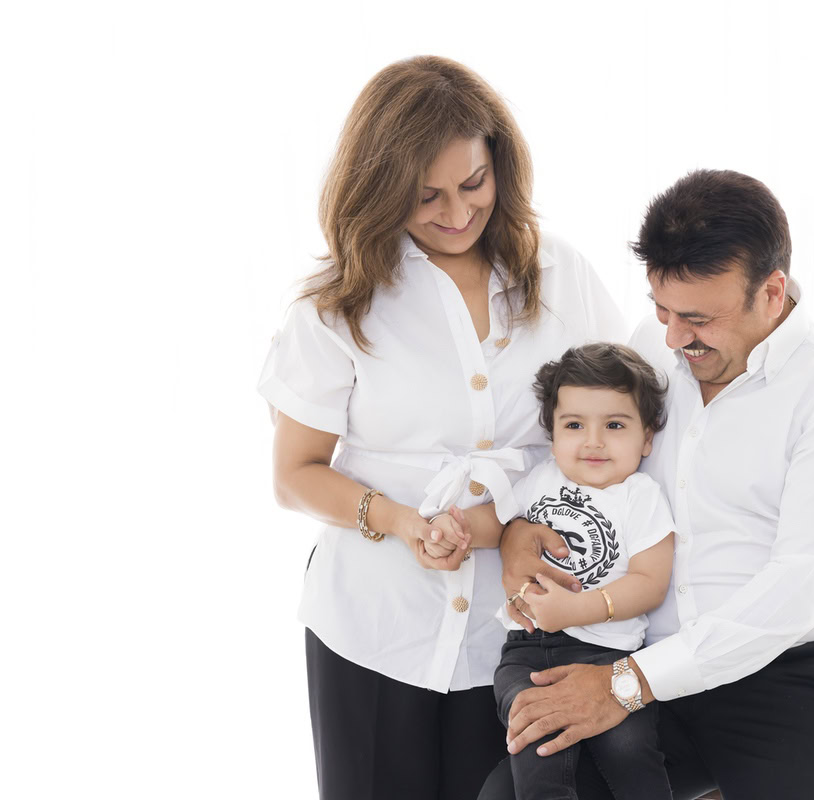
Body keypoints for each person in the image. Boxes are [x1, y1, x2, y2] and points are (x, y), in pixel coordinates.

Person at [257, 56, 626, 800]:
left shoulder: (562, 277)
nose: (456, 212)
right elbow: (294, 473)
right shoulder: (338, 306)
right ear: (380, 187)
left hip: (517, 638)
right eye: (425, 196)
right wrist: (400, 521)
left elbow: (623, 430)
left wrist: (512, 524)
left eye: (473, 184)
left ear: (501, 168)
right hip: (372, 630)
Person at [483, 169, 814, 800]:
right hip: (651, 668)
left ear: (772, 292)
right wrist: (516, 531)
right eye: (662, 310)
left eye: (698, 318)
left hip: (800, 678)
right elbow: (582, 465)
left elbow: (797, 590)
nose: (675, 338)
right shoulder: (654, 351)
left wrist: (631, 682)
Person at [440, 343, 676, 799]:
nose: (592, 440)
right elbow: (500, 521)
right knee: (534, 744)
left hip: (609, 658)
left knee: (630, 748)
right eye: (574, 425)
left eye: (614, 425)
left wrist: (575, 609)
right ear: (552, 435)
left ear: (647, 437)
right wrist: (456, 527)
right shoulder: (542, 479)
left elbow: (650, 583)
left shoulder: (640, 496)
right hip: (528, 652)